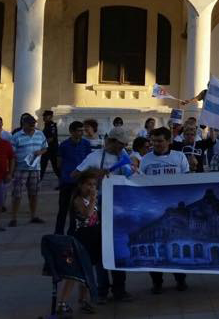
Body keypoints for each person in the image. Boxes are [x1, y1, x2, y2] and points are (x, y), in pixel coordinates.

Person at [72, 126, 136, 304]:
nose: (121, 148)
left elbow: (131, 178)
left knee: (117, 248)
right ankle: (101, 289)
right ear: (111, 141)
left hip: (117, 208)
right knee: (101, 250)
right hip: (97, 208)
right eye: (119, 144)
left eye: (124, 145)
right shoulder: (94, 157)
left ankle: (119, 289)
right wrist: (94, 174)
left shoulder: (123, 157)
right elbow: (74, 175)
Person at [137, 127, 190, 294]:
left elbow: (190, 180)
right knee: (157, 246)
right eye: (153, 141)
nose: (156, 144)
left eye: (160, 141)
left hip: (176, 212)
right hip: (154, 210)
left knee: (177, 246)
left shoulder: (179, 157)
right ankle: (157, 282)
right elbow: (139, 183)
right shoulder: (145, 159)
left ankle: (180, 280)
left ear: (169, 141)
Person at [65, 171, 100, 314]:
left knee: (87, 270)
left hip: (92, 237)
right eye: (88, 185)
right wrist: (92, 200)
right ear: (80, 185)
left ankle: (83, 299)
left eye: (93, 185)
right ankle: (62, 301)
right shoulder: (78, 200)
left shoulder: (91, 199)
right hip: (80, 238)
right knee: (75, 271)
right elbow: (87, 214)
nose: (91, 188)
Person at [9, 113, 48, 227]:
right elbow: (12, 154)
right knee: (17, 194)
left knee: (34, 193)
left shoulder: (40, 134)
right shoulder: (16, 136)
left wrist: (40, 152)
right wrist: (11, 171)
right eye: (30, 125)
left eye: (34, 124)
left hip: (35, 169)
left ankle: (33, 215)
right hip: (20, 169)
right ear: (24, 124)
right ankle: (14, 218)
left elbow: (45, 147)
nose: (32, 127)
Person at [55, 121, 93, 235]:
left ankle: (73, 232)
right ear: (71, 132)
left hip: (80, 182)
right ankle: (58, 232)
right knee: (63, 208)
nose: (81, 133)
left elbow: (88, 161)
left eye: (82, 130)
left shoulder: (86, 144)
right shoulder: (64, 145)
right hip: (67, 181)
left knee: (76, 210)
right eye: (79, 130)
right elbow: (59, 163)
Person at [41, 110, 60, 184]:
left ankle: (62, 182)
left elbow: (51, 138)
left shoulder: (52, 126)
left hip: (52, 149)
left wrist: (42, 144)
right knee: (42, 166)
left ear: (51, 117)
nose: (44, 118)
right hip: (46, 150)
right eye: (44, 116)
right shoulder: (46, 125)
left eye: (46, 116)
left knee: (56, 168)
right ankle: (38, 182)